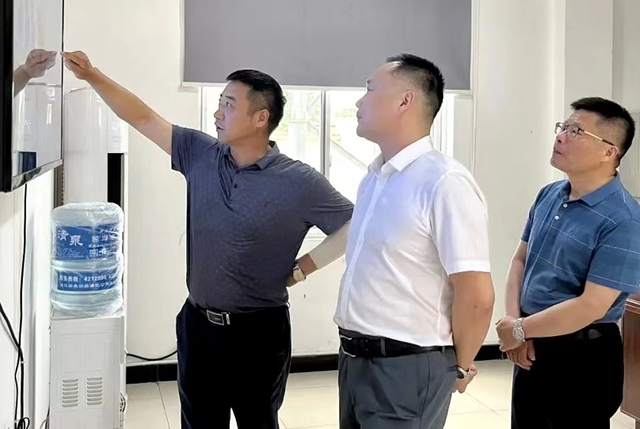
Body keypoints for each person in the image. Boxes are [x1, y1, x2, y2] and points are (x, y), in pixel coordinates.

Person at [61, 51, 354, 429]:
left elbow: (357, 223)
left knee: (258, 422)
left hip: (259, 333)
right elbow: (143, 118)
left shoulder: (299, 181)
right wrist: (92, 75)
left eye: (229, 105)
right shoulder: (200, 153)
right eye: (219, 103)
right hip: (198, 326)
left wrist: (303, 268)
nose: (217, 113)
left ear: (261, 118)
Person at [333, 53, 495, 429]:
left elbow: (476, 294)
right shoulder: (375, 178)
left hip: (407, 368)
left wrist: (460, 365)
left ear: (405, 100)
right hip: (355, 360)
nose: (358, 101)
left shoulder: (445, 182)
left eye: (370, 90)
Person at [497, 97, 640, 429]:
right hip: (530, 343)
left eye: (576, 131)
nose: (560, 136)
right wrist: (516, 324)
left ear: (609, 152)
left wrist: (518, 330)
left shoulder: (624, 220)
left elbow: (591, 306)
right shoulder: (549, 194)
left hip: (582, 357)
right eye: (563, 127)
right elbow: (520, 261)